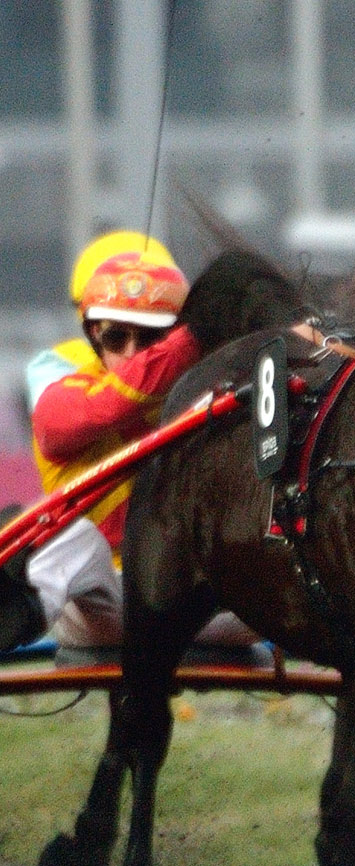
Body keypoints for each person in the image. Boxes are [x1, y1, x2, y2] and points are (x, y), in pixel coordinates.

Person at [14, 234, 209, 659]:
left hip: (198, 605)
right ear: (92, 335)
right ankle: (9, 617)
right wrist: (196, 334)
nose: (132, 352)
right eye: (116, 337)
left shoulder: (208, 393)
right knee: (75, 537)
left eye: (150, 338)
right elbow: (95, 412)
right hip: (105, 603)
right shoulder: (62, 388)